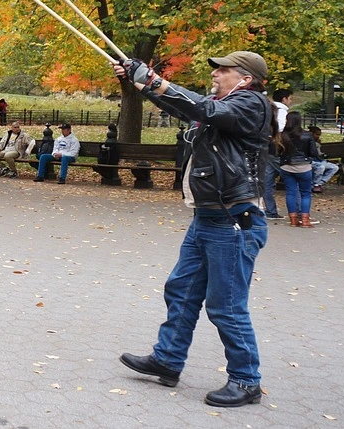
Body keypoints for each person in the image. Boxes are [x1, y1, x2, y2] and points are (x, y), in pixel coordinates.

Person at [114, 50, 271, 408]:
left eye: (223, 70)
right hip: (207, 218)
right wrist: (138, 80)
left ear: (245, 79)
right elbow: (187, 107)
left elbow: (202, 108)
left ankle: (247, 381)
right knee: (182, 291)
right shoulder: (222, 104)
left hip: (233, 222)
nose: (215, 75)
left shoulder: (250, 105)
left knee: (226, 306)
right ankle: (167, 360)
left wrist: (152, 78)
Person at [278, 111, 316, 227]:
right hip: (304, 167)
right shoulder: (307, 135)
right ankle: (305, 220)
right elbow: (313, 152)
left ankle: (293, 220)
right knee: (305, 193)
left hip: (287, 166)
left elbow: (277, 152)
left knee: (291, 192)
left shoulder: (282, 135)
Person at [262, 89, 291, 219]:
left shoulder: (268, 108)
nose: (291, 101)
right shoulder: (282, 111)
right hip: (277, 148)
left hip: (267, 147)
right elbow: (281, 128)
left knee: (267, 180)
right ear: (284, 99)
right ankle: (299, 213)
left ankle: (270, 210)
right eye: (290, 98)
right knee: (291, 178)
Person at [308, 125, 338, 193]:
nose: (318, 136)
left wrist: (324, 157)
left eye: (319, 135)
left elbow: (319, 153)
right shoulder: (308, 141)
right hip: (311, 161)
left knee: (334, 167)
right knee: (321, 167)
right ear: (311, 133)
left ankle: (319, 183)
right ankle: (315, 184)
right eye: (317, 134)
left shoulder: (318, 142)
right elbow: (314, 154)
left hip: (319, 160)